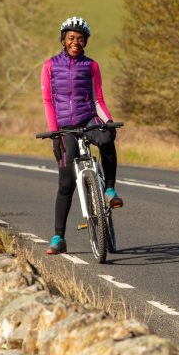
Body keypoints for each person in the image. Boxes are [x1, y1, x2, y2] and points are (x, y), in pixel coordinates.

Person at [40, 16, 123, 255]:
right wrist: (55, 132)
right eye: (71, 38)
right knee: (66, 182)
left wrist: (107, 122)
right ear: (64, 40)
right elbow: (48, 102)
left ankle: (108, 190)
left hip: (88, 118)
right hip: (64, 125)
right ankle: (59, 237)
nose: (75, 42)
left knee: (106, 139)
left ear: (85, 41)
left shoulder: (91, 66)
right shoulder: (49, 66)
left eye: (80, 38)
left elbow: (98, 99)